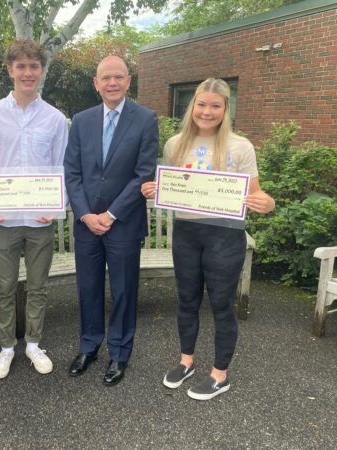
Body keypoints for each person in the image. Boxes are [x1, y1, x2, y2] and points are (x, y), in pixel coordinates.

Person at [141, 78, 275, 400]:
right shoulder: (175, 144)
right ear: (193, 107)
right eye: (201, 104)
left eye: (215, 105)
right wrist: (155, 190)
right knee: (186, 300)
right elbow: (172, 186)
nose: (207, 111)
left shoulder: (240, 146)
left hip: (225, 235)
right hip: (187, 232)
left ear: (225, 108)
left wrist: (266, 204)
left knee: (220, 305)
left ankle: (219, 374)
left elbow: (257, 195)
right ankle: (186, 361)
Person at [64, 55, 158, 386]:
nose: (112, 83)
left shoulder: (145, 119)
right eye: (106, 78)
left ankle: (119, 353)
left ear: (129, 81)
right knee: (87, 288)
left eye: (118, 77)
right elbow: (72, 172)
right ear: (96, 83)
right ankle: (89, 346)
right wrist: (86, 214)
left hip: (124, 223)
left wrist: (111, 214)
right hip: (87, 224)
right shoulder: (81, 120)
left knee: (123, 291)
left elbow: (143, 173)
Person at [0, 40, 68, 379]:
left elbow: (61, 166)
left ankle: (33, 343)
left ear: (41, 70)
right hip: (3, 218)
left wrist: (57, 204)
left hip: (41, 219)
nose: (28, 72)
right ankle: (6, 347)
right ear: (10, 70)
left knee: (38, 285)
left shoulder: (56, 119)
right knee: (3, 286)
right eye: (22, 66)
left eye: (34, 66)